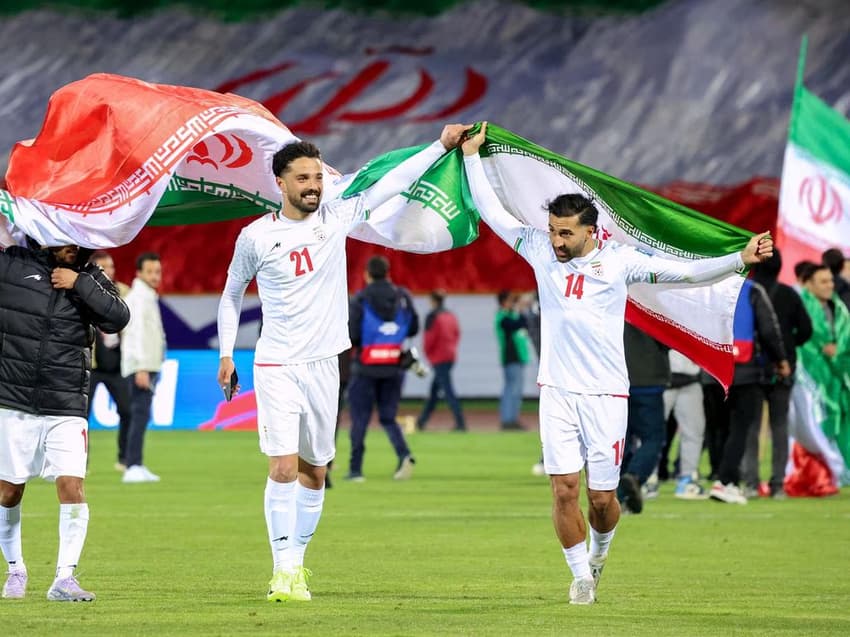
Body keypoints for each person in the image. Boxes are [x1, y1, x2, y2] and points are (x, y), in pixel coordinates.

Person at [461, 122, 775, 605]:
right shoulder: (538, 249)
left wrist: (739, 258)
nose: (557, 240)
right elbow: (491, 210)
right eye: (553, 231)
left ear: (591, 232)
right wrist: (470, 157)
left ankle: (600, 552)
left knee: (601, 500)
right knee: (565, 490)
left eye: (565, 233)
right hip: (558, 391)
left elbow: (687, 273)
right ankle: (579, 577)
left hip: (607, 394)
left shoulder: (621, 262)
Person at [216, 126, 468, 602]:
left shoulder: (337, 218)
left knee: (316, 471)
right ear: (281, 183)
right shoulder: (255, 236)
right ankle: (283, 570)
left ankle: (298, 561)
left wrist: (440, 146)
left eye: (317, 176)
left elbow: (391, 182)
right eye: (303, 178)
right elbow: (231, 295)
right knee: (284, 468)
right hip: (276, 363)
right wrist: (227, 353)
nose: (314, 185)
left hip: (324, 365)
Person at [0, 242, 129, 601]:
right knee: (9, 491)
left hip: (67, 401)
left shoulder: (91, 275)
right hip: (13, 399)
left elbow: (118, 317)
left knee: (72, 486)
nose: (71, 246)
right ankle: (15, 570)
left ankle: (64, 578)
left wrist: (78, 283)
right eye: (62, 237)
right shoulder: (12, 264)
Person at [708, 279, 789, 504]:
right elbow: (768, 329)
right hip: (744, 371)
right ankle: (727, 481)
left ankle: (720, 476)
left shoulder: (709, 285)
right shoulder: (752, 290)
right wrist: (780, 359)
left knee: (718, 428)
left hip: (711, 369)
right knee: (741, 427)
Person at [740, 250, 812, 499]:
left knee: (751, 425)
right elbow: (806, 329)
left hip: (751, 367)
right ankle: (778, 484)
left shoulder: (745, 291)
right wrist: (789, 346)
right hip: (783, 368)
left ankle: (750, 482)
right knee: (779, 426)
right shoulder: (789, 295)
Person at [346, 255, 419, 481]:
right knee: (388, 417)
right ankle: (404, 454)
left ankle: (356, 469)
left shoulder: (360, 299)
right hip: (394, 366)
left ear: (367, 274)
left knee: (360, 419)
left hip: (366, 367)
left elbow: (353, 335)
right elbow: (413, 328)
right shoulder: (402, 296)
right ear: (388, 273)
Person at [797, 264, 850, 469]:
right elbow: (804, 342)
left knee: (842, 419)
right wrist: (822, 350)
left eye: (831, 281)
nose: (829, 286)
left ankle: (841, 468)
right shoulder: (800, 307)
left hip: (839, 375)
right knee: (816, 421)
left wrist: (839, 350)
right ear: (808, 284)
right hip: (809, 378)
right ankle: (819, 470)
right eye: (823, 282)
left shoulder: (839, 309)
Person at [120, 253, 166, 484]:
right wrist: (140, 367)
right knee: (139, 415)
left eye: (157, 271)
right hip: (141, 366)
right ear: (138, 273)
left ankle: (136, 463)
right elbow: (135, 334)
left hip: (147, 365)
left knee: (141, 415)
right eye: (150, 271)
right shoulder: (138, 298)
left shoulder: (147, 296)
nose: (155, 276)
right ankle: (132, 466)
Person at [86, 250, 132, 471]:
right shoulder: (82, 291)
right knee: (80, 417)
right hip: (91, 366)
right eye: (104, 268)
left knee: (128, 410)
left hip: (117, 366)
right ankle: (79, 462)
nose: (110, 272)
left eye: (112, 267)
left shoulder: (124, 292)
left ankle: (126, 459)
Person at [618, 324, 670, 514]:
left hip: (617, 380)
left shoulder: (609, 298)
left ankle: (616, 496)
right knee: (653, 438)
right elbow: (668, 335)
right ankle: (635, 475)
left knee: (620, 441)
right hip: (649, 379)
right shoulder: (653, 298)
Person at [417, 290, 466, 432]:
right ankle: (422, 421)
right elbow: (457, 334)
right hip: (450, 355)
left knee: (448, 389)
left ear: (433, 301)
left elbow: (429, 339)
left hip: (438, 357)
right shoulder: (451, 315)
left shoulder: (432, 317)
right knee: (435, 390)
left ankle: (460, 422)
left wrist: (428, 355)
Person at [495, 291, 531, 430]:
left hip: (517, 357)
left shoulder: (509, 315)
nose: (512, 304)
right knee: (511, 390)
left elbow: (524, 324)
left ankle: (512, 419)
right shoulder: (502, 317)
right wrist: (521, 309)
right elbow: (517, 324)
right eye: (510, 301)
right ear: (503, 302)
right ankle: (507, 420)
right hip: (511, 358)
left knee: (515, 390)